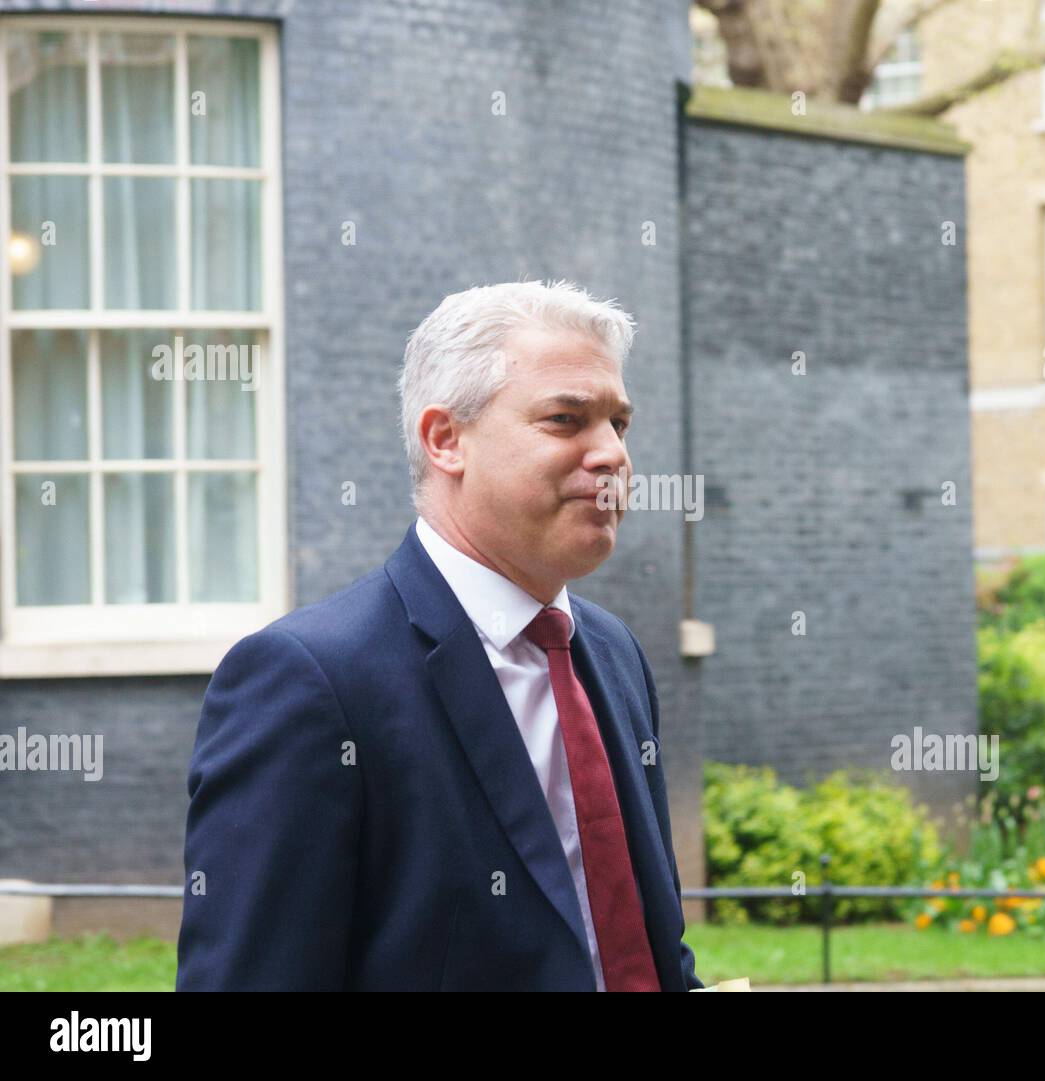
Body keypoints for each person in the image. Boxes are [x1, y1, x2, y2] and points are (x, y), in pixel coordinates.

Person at [176, 280, 703, 991]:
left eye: (619, 423)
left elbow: (645, 948)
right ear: (446, 440)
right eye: (566, 418)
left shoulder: (614, 656)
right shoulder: (309, 680)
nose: (611, 453)